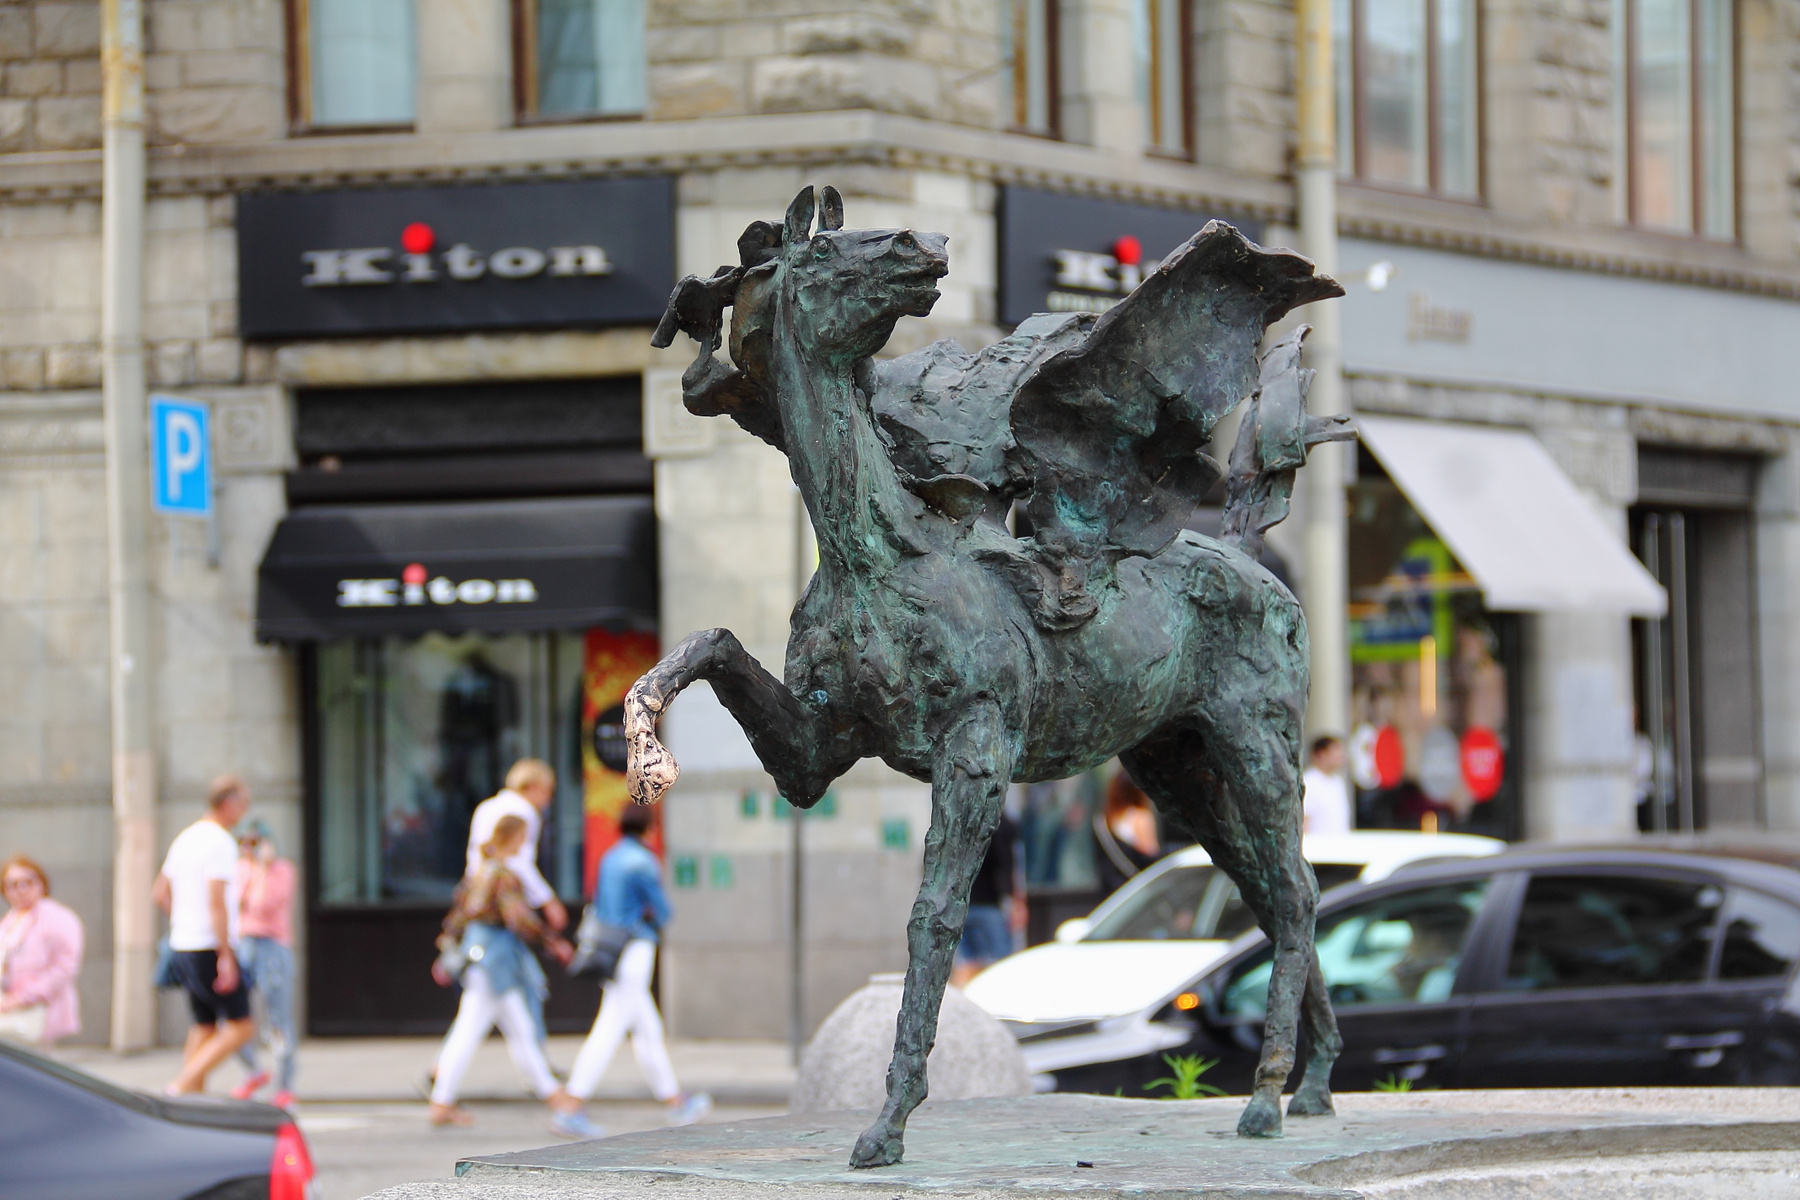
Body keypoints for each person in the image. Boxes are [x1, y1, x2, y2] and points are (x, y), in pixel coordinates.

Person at [554, 804, 711, 1140]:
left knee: (648, 1030)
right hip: (636, 947)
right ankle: (571, 1105)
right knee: (611, 1027)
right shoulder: (644, 861)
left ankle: (675, 1101)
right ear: (648, 828)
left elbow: (599, 902)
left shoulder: (610, 857)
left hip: (610, 949)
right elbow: (663, 912)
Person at [429, 815, 581, 1128]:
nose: (525, 844)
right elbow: (519, 918)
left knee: (509, 1028)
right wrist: (552, 942)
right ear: (513, 837)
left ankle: (551, 1094)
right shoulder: (503, 876)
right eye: (523, 837)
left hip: (480, 958)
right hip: (495, 962)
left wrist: (446, 947)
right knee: (501, 1030)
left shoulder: (480, 872)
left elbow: (458, 916)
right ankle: (553, 1095)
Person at [153, 776, 256, 1096]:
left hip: (184, 943)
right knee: (241, 1026)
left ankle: (190, 1098)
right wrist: (226, 955)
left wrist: (185, 919)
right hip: (209, 946)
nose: (245, 811)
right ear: (228, 804)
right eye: (243, 803)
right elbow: (216, 902)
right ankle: (180, 1086)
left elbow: (160, 892)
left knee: (204, 1025)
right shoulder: (220, 842)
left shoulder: (185, 838)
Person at [231, 820, 298, 1109]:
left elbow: (263, 905)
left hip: (272, 946)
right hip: (243, 944)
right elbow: (234, 902)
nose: (248, 849)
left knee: (278, 1019)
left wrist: (262, 869)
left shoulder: (282, 870)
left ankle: (285, 1086)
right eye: (243, 843)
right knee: (231, 1013)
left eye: (254, 843)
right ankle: (253, 1070)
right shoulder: (239, 869)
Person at [0, 856, 85, 1046]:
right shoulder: (11, 919)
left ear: (41, 883)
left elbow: (64, 968)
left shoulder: (57, 918)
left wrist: (22, 998)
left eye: (28, 882)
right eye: (12, 885)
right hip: (10, 1011)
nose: (21, 890)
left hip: (42, 1012)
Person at [951, 811, 1021, 988]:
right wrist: (1016, 902)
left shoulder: (956, 820)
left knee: (967, 963)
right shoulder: (999, 822)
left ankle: (961, 1002)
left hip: (960, 906)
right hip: (989, 904)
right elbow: (1006, 866)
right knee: (1002, 964)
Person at [1094, 772, 1160, 894]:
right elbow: (1150, 853)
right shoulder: (1140, 817)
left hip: (1112, 892)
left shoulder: (1103, 820)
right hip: (1135, 889)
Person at [1302, 736, 1353, 835]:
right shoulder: (1310, 781)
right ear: (1321, 754)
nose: (1339, 756)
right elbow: (1305, 819)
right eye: (1334, 752)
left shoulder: (1338, 782)